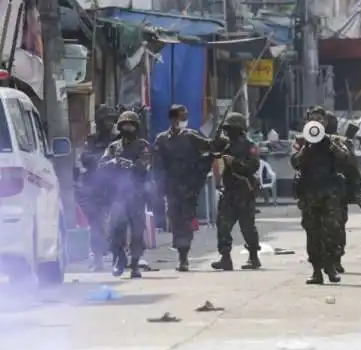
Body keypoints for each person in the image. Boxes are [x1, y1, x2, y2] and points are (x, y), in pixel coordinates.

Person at [152, 104, 221, 271]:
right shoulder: (161, 139)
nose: (183, 121)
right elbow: (157, 165)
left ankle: (184, 256)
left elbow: (210, 146)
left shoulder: (191, 136)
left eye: (185, 117)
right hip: (172, 186)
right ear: (172, 118)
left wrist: (218, 139)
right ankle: (181, 254)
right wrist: (160, 186)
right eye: (180, 117)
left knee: (186, 219)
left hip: (189, 185)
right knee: (175, 221)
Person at [291, 106, 353, 284]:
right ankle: (316, 270)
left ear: (325, 122)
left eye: (320, 119)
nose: (316, 122)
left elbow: (347, 159)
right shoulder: (302, 141)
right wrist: (306, 149)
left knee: (332, 231)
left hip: (330, 195)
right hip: (309, 194)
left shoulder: (333, 140)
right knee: (313, 233)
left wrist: (334, 148)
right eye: (313, 118)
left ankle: (331, 266)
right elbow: (294, 162)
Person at [101, 111, 151, 279]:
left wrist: (129, 164)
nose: (127, 127)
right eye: (125, 125)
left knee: (137, 231)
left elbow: (145, 164)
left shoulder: (142, 145)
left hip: (136, 194)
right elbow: (102, 165)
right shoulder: (114, 147)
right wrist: (112, 163)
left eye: (131, 125)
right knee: (115, 230)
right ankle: (118, 258)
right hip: (118, 195)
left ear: (136, 127)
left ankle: (135, 263)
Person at [210, 112, 262, 271]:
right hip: (229, 191)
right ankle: (225, 257)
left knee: (247, 226)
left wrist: (236, 163)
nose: (228, 132)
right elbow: (213, 149)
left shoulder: (249, 145)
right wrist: (216, 136)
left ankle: (253, 257)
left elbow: (253, 166)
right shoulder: (226, 144)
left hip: (244, 190)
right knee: (223, 224)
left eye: (231, 129)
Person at [77, 104, 118, 270]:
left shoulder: (117, 139)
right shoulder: (92, 140)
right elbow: (85, 158)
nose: (109, 123)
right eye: (106, 119)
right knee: (96, 224)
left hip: (115, 186)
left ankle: (119, 258)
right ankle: (98, 259)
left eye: (111, 120)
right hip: (95, 187)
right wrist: (101, 160)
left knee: (117, 223)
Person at [326, 110, 361, 274]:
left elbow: (353, 169)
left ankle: (336, 258)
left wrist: (355, 192)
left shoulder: (341, 143)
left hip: (337, 193)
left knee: (337, 227)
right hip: (317, 192)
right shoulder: (311, 141)